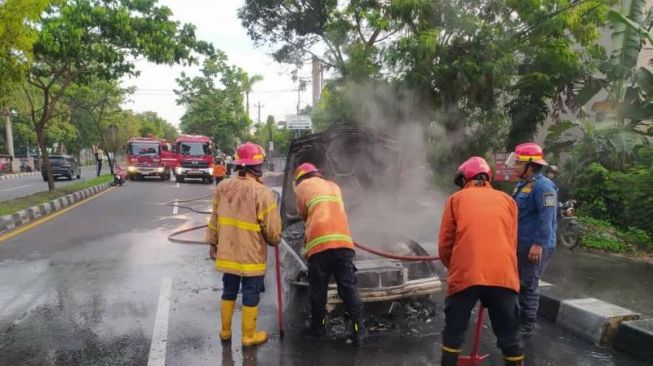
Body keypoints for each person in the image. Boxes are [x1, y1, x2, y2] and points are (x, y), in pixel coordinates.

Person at [439, 157, 524, 366]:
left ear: (466, 177)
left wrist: (457, 267)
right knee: (510, 338)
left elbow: (445, 244)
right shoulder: (508, 201)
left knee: (453, 334)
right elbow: (512, 243)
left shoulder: (455, 200)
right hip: (503, 277)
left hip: (466, 275)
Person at [206, 142, 282, 347]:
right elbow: (273, 232)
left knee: (229, 290)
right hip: (251, 255)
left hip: (228, 252)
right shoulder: (263, 193)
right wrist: (275, 240)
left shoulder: (223, 187)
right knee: (250, 292)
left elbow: (214, 218)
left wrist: (213, 242)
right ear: (257, 165)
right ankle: (248, 336)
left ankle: (225, 332)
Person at [294, 162, 365, 346]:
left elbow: (303, 214)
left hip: (320, 245)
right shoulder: (334, 186)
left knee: (319, 290)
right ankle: (359, 330)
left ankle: (318, 328)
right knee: (348, 289)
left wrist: (306, 245)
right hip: (344, 243)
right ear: (318, 174)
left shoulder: (302, 186)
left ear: (301, 177)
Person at [507, 143, 558, 335]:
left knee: (529, 283)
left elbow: (548, 218)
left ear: (531, 165)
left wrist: (538, 244)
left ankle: (527, 324)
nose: (515, 166)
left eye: (518, 163)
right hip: (521, 244)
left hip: (535, 246)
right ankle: (518, 317)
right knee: (518, 281)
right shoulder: (523, 185)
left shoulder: (544, 187)